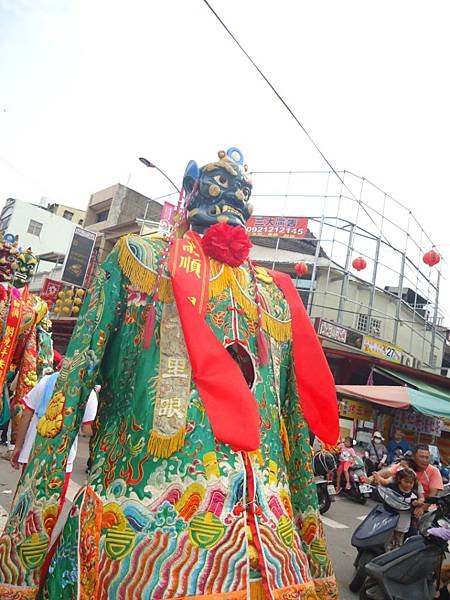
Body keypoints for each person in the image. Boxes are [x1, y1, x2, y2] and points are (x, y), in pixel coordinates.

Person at [0, 148, 340, 599]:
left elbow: (293, 424)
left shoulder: (269, 294)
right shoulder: (141, 260)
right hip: (205, 547)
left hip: (185, 546)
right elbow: (72, 384)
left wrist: (23, 558)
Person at [10, 372, 97, 511]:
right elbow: (87, 428)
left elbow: (26, 413)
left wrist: (18, 446)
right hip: (61, 461)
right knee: (49, 509)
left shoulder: (46, 380)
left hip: (33, 453)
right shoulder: (88, 392)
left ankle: (17, 533)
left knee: (25, 501)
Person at [386, 468, 424, 548]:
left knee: (398, 541)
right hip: (389, 519)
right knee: (387, 538)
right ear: (400, 479)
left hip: (403, 522)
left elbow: (416, 505)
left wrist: (416, 504)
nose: (408, 485)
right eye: (406, 482)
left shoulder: (413, 495)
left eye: (411, 483)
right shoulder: (393, 488)